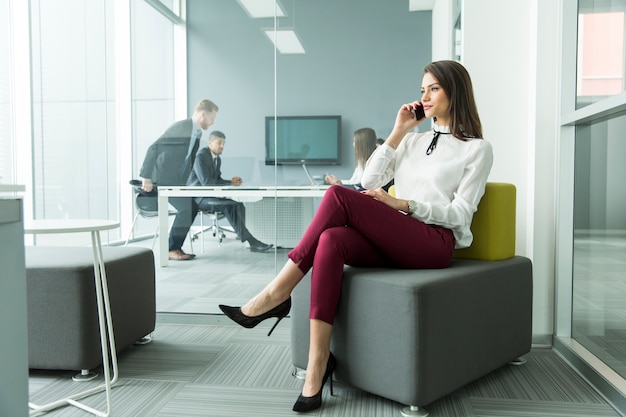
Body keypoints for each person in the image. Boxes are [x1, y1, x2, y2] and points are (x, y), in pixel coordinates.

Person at [219, 60, 493, 412]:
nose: (424, 96)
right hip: (399, 239)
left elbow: (459, 215)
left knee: (335, 196)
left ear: (455, 92)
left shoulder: (476, 149)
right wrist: (397, 132)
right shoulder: (412, 141)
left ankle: (277, 292)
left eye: (433, 88)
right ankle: (318, 364)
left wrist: (402, 204)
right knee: (332, 239)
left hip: (433, 244)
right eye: (422, 89)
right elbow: (369, 181)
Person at [139, 99, 219, 261]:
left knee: (191, 207)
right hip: (161, 180)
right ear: (203, 113)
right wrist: (146, 176)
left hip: (175, 182)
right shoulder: (181, 128)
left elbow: (186, 160)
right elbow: (154, 147)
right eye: (212, 118)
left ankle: (175, 247)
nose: (212, 123)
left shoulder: (196, 133)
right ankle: (171, 249)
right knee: (187, 208)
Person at [187, 130, 273, 252]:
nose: (222, 146)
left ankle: (245, 236)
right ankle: (251, 241)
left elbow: (217, 180)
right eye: (219, 143)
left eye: (224, 143)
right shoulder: (201, 156)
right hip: (199, 198)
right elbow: (207, 182)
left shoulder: (217, 159)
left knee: (238, 204)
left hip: (209, 195)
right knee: (229, 205)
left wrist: (231, 182)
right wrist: (228, 183)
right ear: (210, 143)